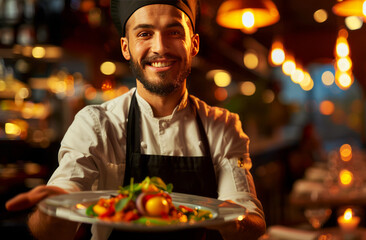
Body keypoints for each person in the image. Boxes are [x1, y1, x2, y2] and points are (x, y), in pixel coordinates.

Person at [5, 0, 266, 239]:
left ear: (194, 44)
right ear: (126, 47)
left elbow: (251, 221)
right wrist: (55, 207)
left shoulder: (222, 125)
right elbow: (53, 231)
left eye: (174, 32)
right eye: (144, 34)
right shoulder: (96, 124)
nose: (160, 47)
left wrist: (223, 217)